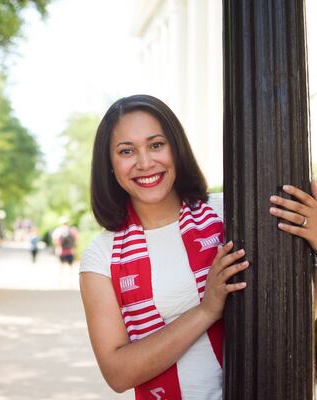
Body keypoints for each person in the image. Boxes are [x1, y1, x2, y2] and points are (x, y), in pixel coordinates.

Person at [79, 94, 317, 400]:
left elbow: (297, 296)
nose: (145, 162)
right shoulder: (101, 256)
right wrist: (206, 310)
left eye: (156, 145)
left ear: (176, 148)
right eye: (127, 151)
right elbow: (118, 373)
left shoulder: (231, 211)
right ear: (110, 164)